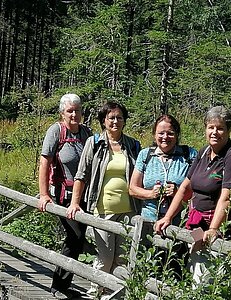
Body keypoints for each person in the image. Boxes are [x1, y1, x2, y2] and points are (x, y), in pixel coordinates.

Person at [155, 105, 231, 283]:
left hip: (220, 229)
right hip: (196, 224)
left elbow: (227, 196)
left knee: (208, 279)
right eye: (211, 127)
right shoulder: (204, 152)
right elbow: (184, 188)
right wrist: (168, 217)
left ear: (228, 130)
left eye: (220, 128)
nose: (214, 132)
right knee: (194, 268)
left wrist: (214, 228)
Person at [66, 101, 141, 297]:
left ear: (124, 121)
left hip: (129, 211)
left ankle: (114, 294)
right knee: (105, 257)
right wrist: (75, 202)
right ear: (103, 121)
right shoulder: (95, 143)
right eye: (111, 118)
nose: (116, 121)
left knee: (122, 259)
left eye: (119, 117)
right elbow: (81, 175)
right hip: (103, 210)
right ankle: (95, 292)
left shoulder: (133, 145)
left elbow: (140, 176)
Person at [38, 93, 92, 299]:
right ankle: (59, 285)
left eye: (77, 110)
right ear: (62, 113)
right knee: (75, 237)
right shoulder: (56, 131)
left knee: (76, 240)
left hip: (84, 195)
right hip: (63, 194)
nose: (74, 114)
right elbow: (44, 164)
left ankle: (61, 284)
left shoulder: (86, 133)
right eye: (70, 110)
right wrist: (43, 194)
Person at [129, 114, 197, 278]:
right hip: (149, 222)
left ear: (177, 135)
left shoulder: (189, 155)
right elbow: (132, 188)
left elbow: (197, 191)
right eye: (161, 133)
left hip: (179, 222)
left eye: (170, 133)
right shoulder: (146, 155)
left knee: (174, 269)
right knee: (145, 268)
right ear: (154, 134)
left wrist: (178, 191)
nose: (165, 137)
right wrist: (151, 193)